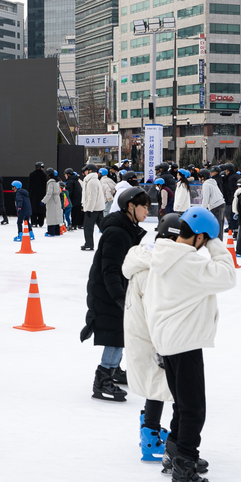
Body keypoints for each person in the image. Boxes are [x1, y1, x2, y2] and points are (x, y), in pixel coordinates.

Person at [145, 206, 236, 482]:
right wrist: (215, 244)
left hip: (169, 340)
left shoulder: (165, 255)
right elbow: (227, 276)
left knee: (183, 403)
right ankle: (185, 473)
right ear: (198, 237)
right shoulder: (187, 264)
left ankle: (175, 452)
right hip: (183, 342)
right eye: (206, 239)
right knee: (194, 409)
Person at [123, 213, 182, 462]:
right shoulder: (152, 270)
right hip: (151, 337)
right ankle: (150, 436)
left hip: (143, 334)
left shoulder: (146, 257)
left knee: (155, 385)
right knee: (158, 386)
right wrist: (161, 345)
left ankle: (150, 427)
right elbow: (154, 310)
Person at [81, 186, 149, 402]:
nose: (147, 211)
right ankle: (102, 379)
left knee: (120, 332)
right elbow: (110, 268)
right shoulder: (118, 232)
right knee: (116, 334)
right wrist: (119, 297)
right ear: (131, 206)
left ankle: (115, 370)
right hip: (108, 291)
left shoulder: (127, 227)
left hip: (114, 288)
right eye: (144, 207)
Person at [80, 165, 105, 251]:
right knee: (102, 227)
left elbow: (92, 197)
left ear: (90, 171)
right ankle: (113, 241)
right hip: (97, 207)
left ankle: (89, 244)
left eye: (86, 170)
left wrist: (89, 209)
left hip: (93, 209)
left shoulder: (92, 182)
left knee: (88, 227)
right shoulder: (94, 180)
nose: (84, 172)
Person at [42, 170, 64, 236]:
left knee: (51, 215)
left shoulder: (51, 182)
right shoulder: (57, 181)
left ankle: (51, 232)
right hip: (57, 200)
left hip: (52, 200)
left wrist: (43, 201)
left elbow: (49, 193)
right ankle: (57, 231)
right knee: (57, 216)